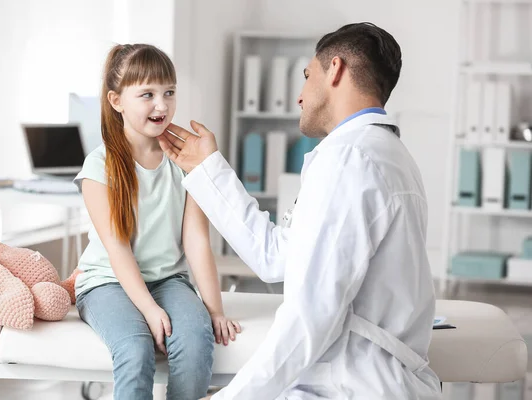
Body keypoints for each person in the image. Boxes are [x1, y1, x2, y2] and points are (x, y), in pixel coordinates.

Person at [157, 23, 442, 399]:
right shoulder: (384, 153)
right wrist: (208, 169)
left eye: (307, 76)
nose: (299, 96)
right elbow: (276, 257)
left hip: (355, 383)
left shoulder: (350, 160)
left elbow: (310, 317)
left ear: (335, 69)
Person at [73, 43, 240, 400]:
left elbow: (196, 241)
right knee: (135, 349)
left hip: (167, 280)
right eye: (147, 94)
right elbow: (117, 250)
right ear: (116, 101)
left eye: (169, 92)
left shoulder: (184, 161)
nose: (161, 105)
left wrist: (214, 309)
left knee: (196, 342)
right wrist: (149, 309)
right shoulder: (98, 168)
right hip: (107, 282)